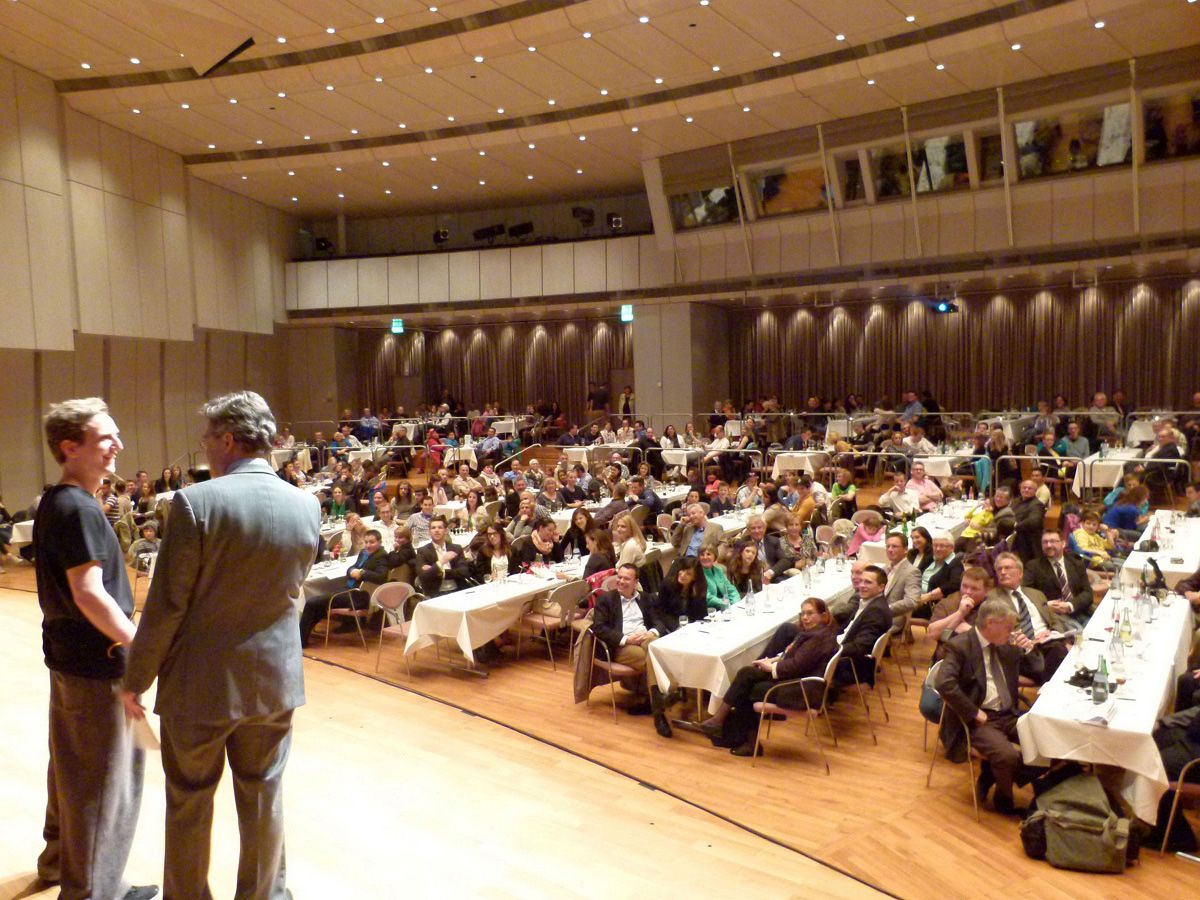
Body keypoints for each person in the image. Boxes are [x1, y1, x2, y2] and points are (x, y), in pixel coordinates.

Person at [121, 391, 322, 900]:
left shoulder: (196, 503)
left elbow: (167, 607)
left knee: (190, 799)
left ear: (228, 439)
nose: (206, 448)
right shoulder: (306, 504)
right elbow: (294, 587)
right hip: (275, 682)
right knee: (263, 795)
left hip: (201, 686)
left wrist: (135, 679)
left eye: (208, 438)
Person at [34, 398, 158, 900]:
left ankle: (59, 862)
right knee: (105, 781)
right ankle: (92, 892)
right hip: (96, 660)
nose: (118, 446)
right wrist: (142, 647)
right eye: (106, 438)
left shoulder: (56, 501)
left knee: (70, 764)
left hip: (69, 657)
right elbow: (89, 592)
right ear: (70, 447)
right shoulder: (79, 508)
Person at [934, 597, 1042, 815]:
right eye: (1009, 626)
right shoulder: (960, 645)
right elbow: (944, 683)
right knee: (1007, 756)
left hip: (1009, 713)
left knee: (1045, 741)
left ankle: (991, 775)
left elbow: (1038, 671)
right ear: (991, 623)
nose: (1012, 631)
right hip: (979, 719)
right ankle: (1004, 801)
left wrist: (1028, 648)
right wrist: (973, 711)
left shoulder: (1008, 645)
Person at [693, 598, 839, 756]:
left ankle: (738, 735)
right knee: (747, 674)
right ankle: (723, 724)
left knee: (750, 687)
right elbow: (798, 657)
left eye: (810, 613)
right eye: (803, 613)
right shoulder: (819, 632)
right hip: (799, 680)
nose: (805, 617)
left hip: (801, 690)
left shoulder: (817, 638)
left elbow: (796, 666)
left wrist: (771, 667)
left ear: (823, 615)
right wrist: (774, 660)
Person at [591, 563, 673, 735]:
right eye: (619, 577)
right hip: (623, 645)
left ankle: (654, 704)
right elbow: (599, 628)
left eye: (626, 578)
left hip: (645, 639)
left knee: (659, 651)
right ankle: (662, 707)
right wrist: (626, 639)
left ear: (636, 582)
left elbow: (659, 622)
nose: (621, 581)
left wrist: (651, 632)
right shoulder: (606, 600)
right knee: (654, 659)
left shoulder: (645, 598)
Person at [299, 528, 391, 646]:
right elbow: (351, 568)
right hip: (349, 591)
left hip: (358, 597)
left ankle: (301, 641)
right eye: (366, 542)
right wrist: (352, 570)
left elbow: (382, 577)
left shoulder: (381, 556)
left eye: (372, 542)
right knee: (318, 603)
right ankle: (303, 638)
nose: (368, 545)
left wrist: (362, 573)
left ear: (380, 543)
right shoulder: (363, 553)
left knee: (312, 602)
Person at [989, 552, 1070, 681]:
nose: (1003, 572)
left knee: (1058, 650)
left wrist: (1052, 633)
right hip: (1023, 648)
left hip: (1048, 642)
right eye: (999, 569)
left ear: (1020, 573)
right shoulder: (993, 597)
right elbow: (1000, 629)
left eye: (1008, 568)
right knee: (1060, 655)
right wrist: (1028, 641)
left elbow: (1054, 619)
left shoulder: (1036, 594)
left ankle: (1049, 689)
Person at [1023, 530, 1095, 629]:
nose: (1048, 545)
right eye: (1045, 542)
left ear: (1063, 543)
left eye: (1053, 541)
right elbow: (1025, 593)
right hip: (1056, 617)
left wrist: (1070, 606)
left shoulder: (1076, 563)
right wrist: (1045, 605)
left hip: (1078, 609)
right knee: (1083, 634)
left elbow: (1088, 593)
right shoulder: (1033, 567)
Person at [927, 566, 991, 662]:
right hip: (944, 660)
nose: (968, 592)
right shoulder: (946, 603)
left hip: (977, 664)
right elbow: (932, 633)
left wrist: (972, 632)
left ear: (986, 591)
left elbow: (996, 644)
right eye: (965, 586)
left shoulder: (993, 610)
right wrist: (959, 613)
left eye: (974, 588)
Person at [417, 515, 474, 594]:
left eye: (440, 527)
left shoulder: (456, 548)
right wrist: (441, 562)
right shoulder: (423, 551)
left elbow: (464, 572)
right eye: (433, 528)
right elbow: (423, 577)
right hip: (436, 594)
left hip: (458, 591)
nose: (436, 530)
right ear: (429, 532)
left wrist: (441, 572)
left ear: (446, 531)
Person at [913, 530, 963, 618]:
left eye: (942, 546)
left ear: (952, 548)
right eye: (935, 545)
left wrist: (928, 596)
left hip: (929, 605)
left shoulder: (955, 565)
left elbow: (954, 584)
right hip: (914, 596)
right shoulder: (931, 559)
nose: (938, 549)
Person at [883, 532, 921, 628]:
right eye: (888, 546)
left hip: (892, 620)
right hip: (876, 616)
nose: (890, 550)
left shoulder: (912, 572)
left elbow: (912, 601)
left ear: (905, 550)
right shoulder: (885, 569)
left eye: (894, 546)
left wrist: (886, 609)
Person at [656, 556, 708, 626]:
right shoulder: (667, 585)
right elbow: (662, 613)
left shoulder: (699, 587)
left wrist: (696, 598)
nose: (683, 575)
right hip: (672, 627)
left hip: (693, 627)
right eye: (682, 570)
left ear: (695, 577)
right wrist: (677, 627)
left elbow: (702, 614)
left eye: (688, 573)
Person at [1010, 479, 1046, 563]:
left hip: (1027, 538)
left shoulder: (1037, 505)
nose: (1026, 490)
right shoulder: (1016, 501)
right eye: (1024, 488)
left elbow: (1033, 521)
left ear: (1035, 491)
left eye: (1029, 488)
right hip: (1013, 533)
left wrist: (1015, 526)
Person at [698, 545, 739, 610]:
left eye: (708, 554)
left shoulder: (719, 571)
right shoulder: (698, 573)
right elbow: (708, 597)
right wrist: (726, 603)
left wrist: (736, 603)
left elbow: (731, 589)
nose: (705, 557)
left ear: (715, 556)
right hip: (708, 610)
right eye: (702, 555)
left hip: (725, 607)